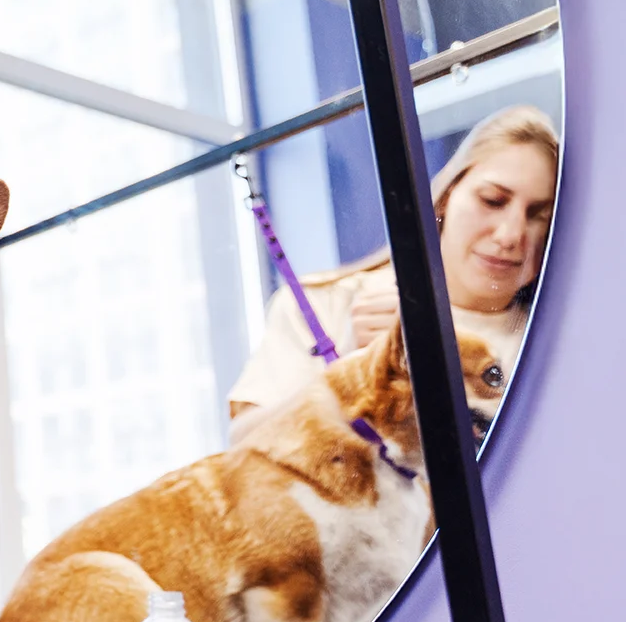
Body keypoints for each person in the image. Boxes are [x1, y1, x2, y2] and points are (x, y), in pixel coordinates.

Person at [227, 105, 559, 441]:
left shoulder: (556, 339)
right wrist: (355, 367)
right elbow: (244, 445)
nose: (511, 235)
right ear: (446, 198)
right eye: (492, 200)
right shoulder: (326, 305)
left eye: (538, 215)